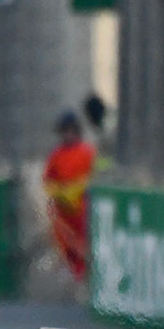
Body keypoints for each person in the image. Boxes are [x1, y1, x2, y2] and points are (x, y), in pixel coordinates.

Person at [43, 110, 95, 282]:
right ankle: (74, 273)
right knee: (67, 245)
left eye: (71, 131)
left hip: (82, 209)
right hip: (63, 211)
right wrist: (58, 193)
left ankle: (83, 274)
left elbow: (92, 177)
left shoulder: (86, 153)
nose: (68, 135)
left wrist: (77, 190)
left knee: (85, 244)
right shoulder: (56, 155)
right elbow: (49, 180)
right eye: (65, 131)